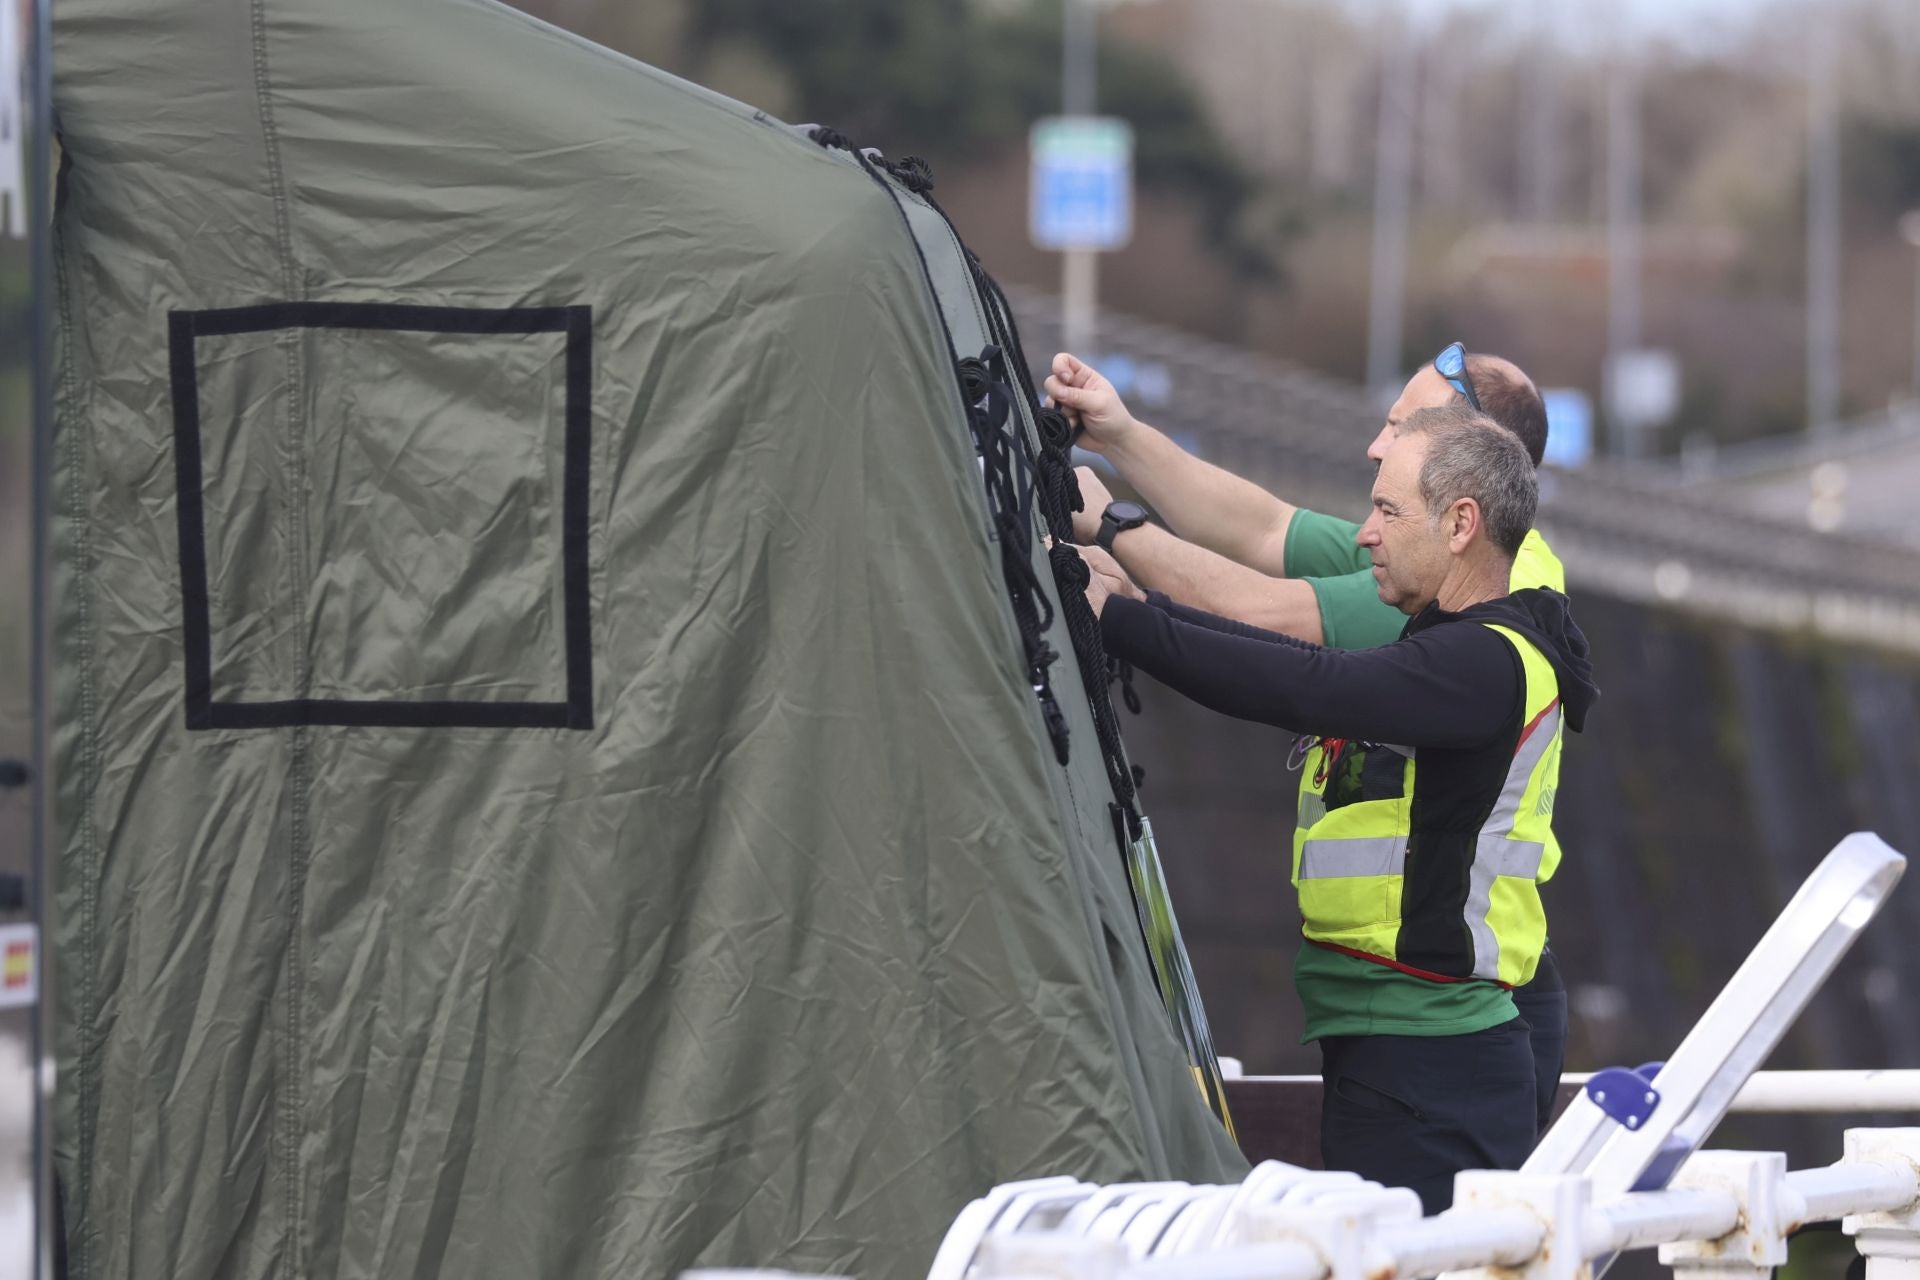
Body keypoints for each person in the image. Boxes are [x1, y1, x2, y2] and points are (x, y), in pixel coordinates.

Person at [1080, 405, 1598, 1213]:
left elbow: (1306, 684)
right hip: (1401, 1052)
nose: (1366, 533)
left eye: (1388, 510)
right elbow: (1300, 661)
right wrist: (1132, 606)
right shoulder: (1450, 643)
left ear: (1462, 524)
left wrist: (1114, 616)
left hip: (1430, 1067)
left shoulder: (1482, 663)